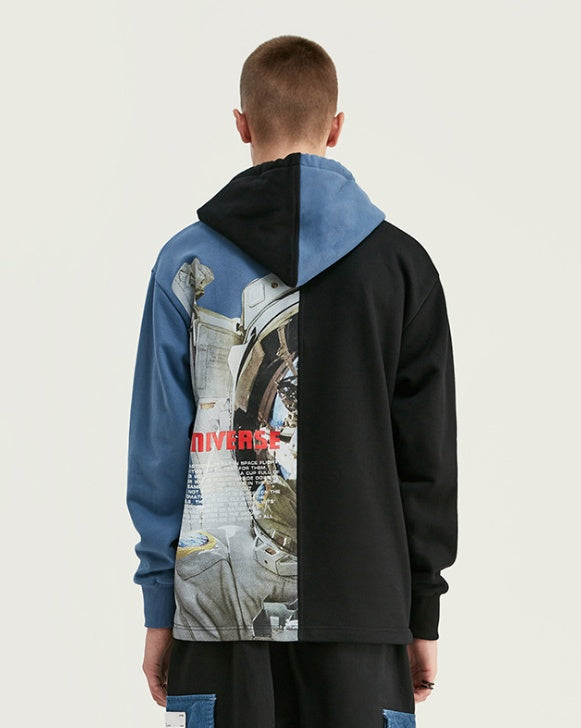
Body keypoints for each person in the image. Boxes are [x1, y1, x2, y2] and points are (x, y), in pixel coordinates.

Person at [126, 34, 458, 728]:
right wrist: (421, 611)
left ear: (241, 123)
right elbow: (426, 461)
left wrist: (160, 607)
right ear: (335, 127)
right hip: (365, 611)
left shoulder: (184, 265)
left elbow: (158, 451)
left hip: (218, 617)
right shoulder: (403, 268)